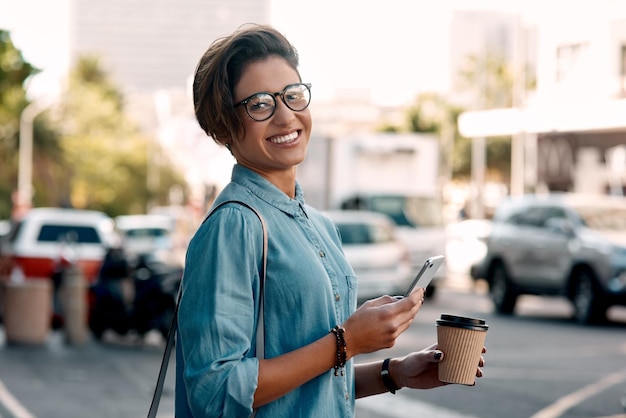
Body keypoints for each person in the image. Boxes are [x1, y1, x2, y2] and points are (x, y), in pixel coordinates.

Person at [175, 23, 486, 417]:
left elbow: (310, 387)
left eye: (292, 95)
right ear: (224, 126)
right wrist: (348, 341)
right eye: (259, 104)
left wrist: (395, 373)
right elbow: (216, 393)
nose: (286, 117)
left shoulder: (318, 224)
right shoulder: (234, 226)